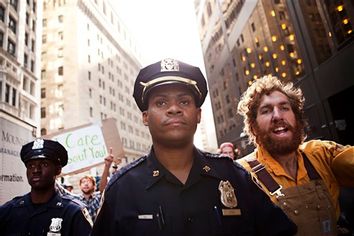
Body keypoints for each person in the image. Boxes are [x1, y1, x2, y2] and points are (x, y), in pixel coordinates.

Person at [91, 58, 297, 236]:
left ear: (198, 114)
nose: (173, 109)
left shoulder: (236, 178)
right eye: (161, 103)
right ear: (146, 117)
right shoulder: (121, 189)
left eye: (184, 101)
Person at [236, 75, 354, 235]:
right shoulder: (240, 176)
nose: (277, 116)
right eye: (266, 110)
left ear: (296, 118)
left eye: (284, 107)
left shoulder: (321, 153)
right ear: (253, 126)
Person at [0, 138, 92, 235]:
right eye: (31, 165)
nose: (36, 170)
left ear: (58, 170)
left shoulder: (73, 212)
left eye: (44, 164)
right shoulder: (9, 211)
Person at [76, 148, 114, 222]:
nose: (86, 184)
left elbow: (102, 189)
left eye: (89, 182)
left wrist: (107, 166)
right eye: (83, 182)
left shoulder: (98, 198)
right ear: (80, 186)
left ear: (94, 186)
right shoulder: (75, 200)